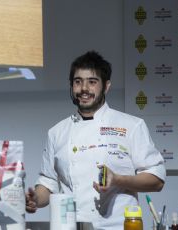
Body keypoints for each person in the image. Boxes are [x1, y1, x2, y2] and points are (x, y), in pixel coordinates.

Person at [26, 51, 166, 229]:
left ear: (106, 86)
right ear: (71, 86)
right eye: (78, 82)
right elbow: (48, 184)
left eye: (92, 82)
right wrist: (35, 200)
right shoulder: (56, 132)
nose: (84, 88)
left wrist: (118, 180)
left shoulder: (131, 125)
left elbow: (157, 180)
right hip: (71, 226)